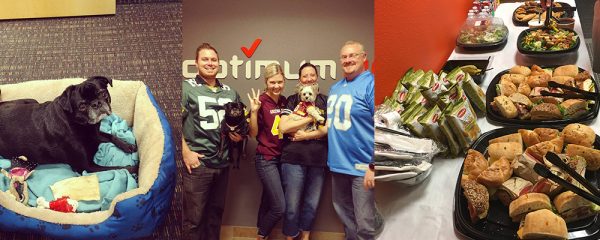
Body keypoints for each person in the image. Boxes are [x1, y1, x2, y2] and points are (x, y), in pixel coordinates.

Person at [181, 43, 244, 240]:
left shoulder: (230, 92)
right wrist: (185, 152)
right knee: (194, 219)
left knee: (215, 215)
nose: (210, 63)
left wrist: (238, 136)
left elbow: (240, 124)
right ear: (196, 63)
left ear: (219, 63)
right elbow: (173, 123)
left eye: (214, 60)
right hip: (198, 163)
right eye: (205, 59)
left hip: (223, 163)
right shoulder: (186, 88)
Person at [327, 41, 375, 240]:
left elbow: (383, 127)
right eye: (344, 57)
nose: (348, 60)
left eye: (353, 56)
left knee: (365, 223)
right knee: (346, 217)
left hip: (363, 167)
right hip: (338, 166)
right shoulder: (335, 87)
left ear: (364, 57)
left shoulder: (371, 83)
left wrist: (373, 165)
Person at [279, 63, 328, 240]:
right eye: (305, 76)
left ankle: (305, 235)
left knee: (312, 204)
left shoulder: (325, 100)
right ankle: (290, 236)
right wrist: (309, 117)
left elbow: (327, 129)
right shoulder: (292, 100)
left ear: (317, 77)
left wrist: (305, 136)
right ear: (300, 80)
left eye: (312, 75)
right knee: (291, 205)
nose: (309, 78)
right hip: (293, 158)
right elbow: (283, 127)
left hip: (318, 159)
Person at [247, 63, 287, 240]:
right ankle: (261, 236)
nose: (276, 86)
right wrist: (254, 112)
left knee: (267, 202)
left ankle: (261, 233)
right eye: (272, 82)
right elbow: (253, 134)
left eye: (279, 81)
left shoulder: (284, 101)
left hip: (282, 159)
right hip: (266, 158)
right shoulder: (261, 101)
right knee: (279, 207)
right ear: (266, 82)